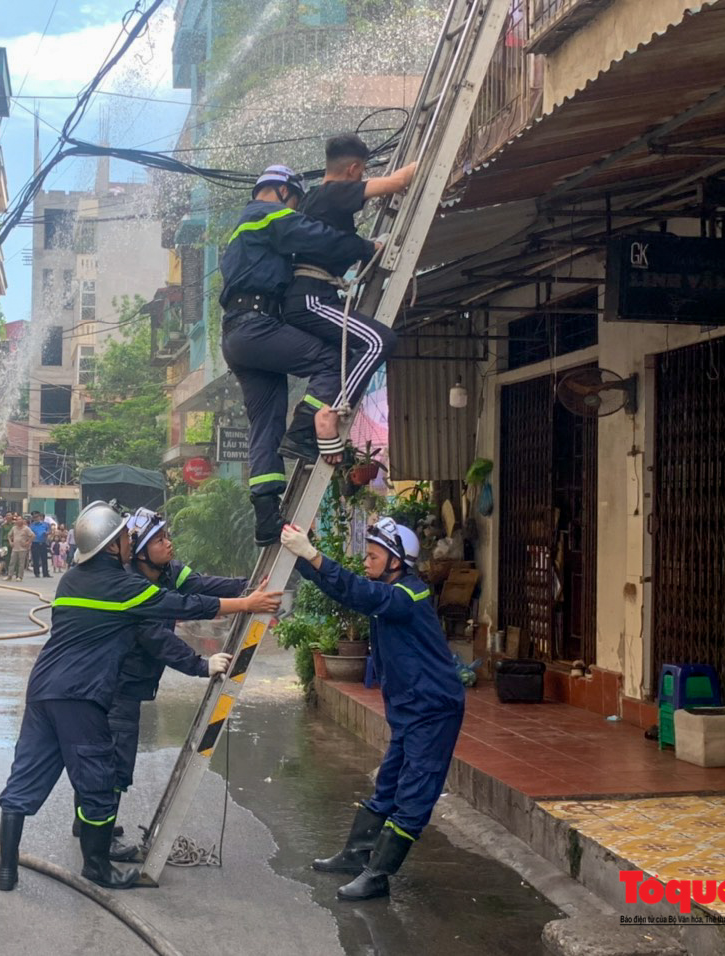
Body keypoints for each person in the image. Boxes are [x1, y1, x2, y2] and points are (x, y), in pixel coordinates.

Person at [0, 501, 283, 893]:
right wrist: (246, 606)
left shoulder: (71, 581)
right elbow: (182, 605)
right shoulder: (125, 589)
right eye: (125, 537)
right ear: (113, 547)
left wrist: (243, 591)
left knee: (26, 776)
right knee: (98, 782)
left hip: (44, 690)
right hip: (81, 696)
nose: (130, 541)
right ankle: (97, 868)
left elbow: (192, 587)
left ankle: (6, 871)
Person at [281, 517, 465, 901]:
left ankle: (378, 874)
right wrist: (303, 556)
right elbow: (348, 591)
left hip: (433, 710)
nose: (366, 561)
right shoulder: (390, 593)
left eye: (373, 555)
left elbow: (359, 593)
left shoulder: (407, 597)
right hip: (409, 708)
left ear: (396, 561)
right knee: (388, 784)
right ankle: (356, 854)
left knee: (413, 793)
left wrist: (313, 555)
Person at [219, 164, 375, 547]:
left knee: (265, 424)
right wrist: (365, 248)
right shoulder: (262, 213)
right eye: (296, 200)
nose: (297, 208)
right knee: (329, 359)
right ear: (282, 191)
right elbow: (312, 235)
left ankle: (267, 515)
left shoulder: (242, 231)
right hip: (257, 326)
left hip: (239, 335)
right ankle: (305, 429)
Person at [279, 135, 410, 462]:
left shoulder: (313, 199)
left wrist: (369, 248)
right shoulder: (335, 193)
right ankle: (332, 413)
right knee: (380, 342)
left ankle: (301, 431)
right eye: (363, 172)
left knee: (335, 362)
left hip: (311, 295)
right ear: (354, 169)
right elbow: (398, 181)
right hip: (311, 296)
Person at [7, 516, 33, 581]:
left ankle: (20, 576)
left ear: (22, 521)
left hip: (22, 548)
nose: (18, 521)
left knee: (21, 563)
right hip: (15, 548)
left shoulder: (26, 528)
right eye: (17, 520)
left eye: (20, 520)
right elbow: (9, 535)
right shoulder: (14, 528)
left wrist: (28, 543)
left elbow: (32, 536)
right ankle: (10, 575)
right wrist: (10, 542)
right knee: (12, 562)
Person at [28, 511, 50, 578]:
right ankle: (36, 573)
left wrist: (47, 533)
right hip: (35, 543)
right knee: (35, 558)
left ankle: (45, 573)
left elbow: (49, 531)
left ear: (40, 517)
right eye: (34, 517)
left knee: (44, 558)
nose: (36, 518)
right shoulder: (32, 526)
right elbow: (29, 534)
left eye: (37, 517)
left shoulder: (45, 524)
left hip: (43, 543)